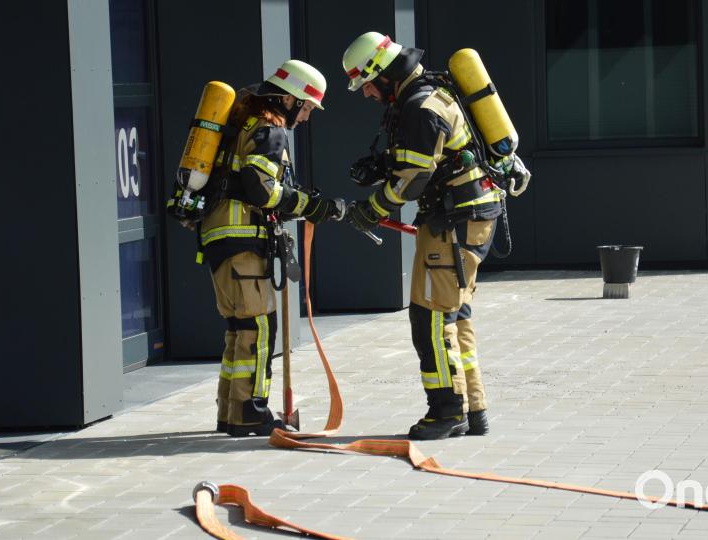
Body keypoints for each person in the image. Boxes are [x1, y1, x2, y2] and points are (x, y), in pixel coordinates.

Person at [342, 32, 506, 440]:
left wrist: (371, 210)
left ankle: (447, 412)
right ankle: (473, 408)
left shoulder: (418, 106)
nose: (366, 95)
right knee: (455, 316)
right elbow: (429, 155)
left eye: (366, 86)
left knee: (430, 319)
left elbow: (414, 178)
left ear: (382, 75)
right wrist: (381, 165)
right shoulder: (429, 93)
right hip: (469, 217)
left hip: (451, 225)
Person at [193, 60, 341, 437]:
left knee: (239, 328)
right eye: (306, 107)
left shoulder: (244, 123)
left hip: (220, 237)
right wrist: (312, 206)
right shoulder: (270, 130)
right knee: (258, 328)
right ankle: (251, 412)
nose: (305, 117)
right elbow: (263, 190)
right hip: (241, 239)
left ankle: (231, 411)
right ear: (288, 99)